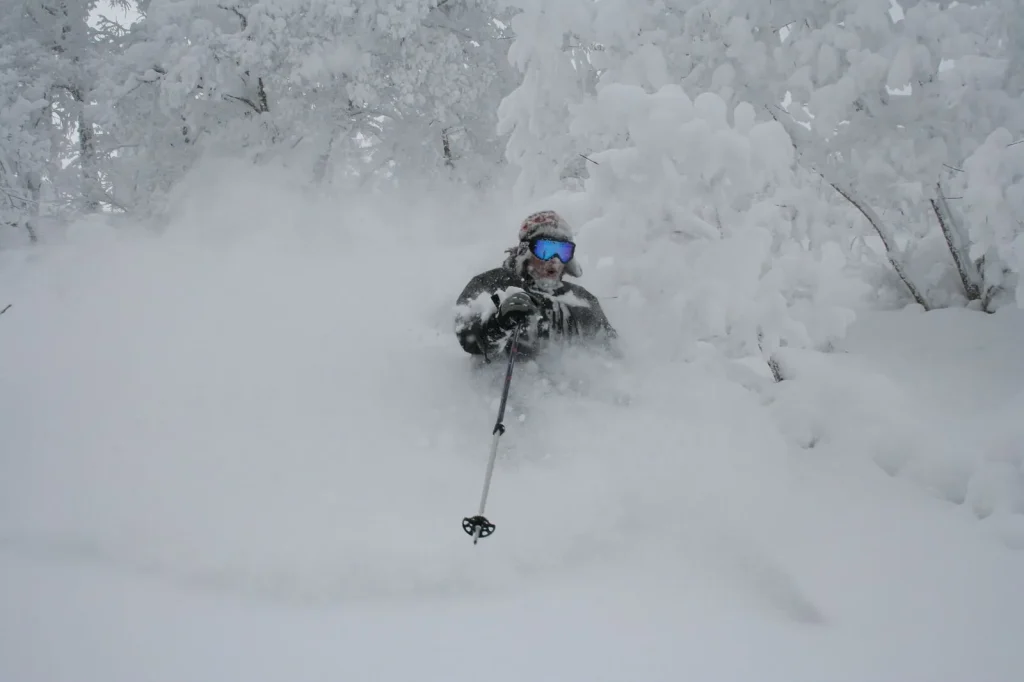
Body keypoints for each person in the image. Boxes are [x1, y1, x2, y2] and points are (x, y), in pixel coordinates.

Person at [454, 210, 618, 362]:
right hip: (498, 388)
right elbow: (467, 335)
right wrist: (498, 325)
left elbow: (609, 351)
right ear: (526, 251)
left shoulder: (580, 299)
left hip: (567, 390)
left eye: (563, 251)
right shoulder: (494, 283)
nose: (554, 259)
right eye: (545, 249)